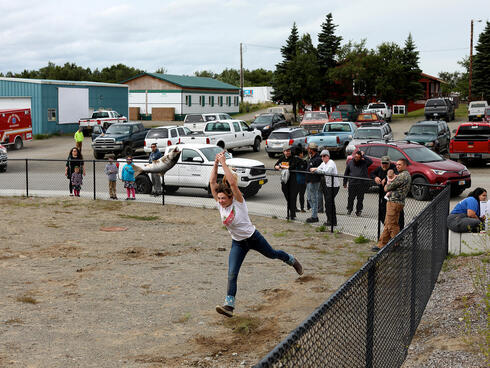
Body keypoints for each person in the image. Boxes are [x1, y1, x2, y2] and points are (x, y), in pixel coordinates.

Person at [210, 151, 303, 318]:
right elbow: (212, 181)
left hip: (254, 238)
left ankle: (291, 259)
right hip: (238, 243)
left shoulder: (238, 202)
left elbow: (232, 183)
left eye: (223, 198)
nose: (221, 201)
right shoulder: (220, 205)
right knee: (232, 273)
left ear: (231, 197)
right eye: (219, 198)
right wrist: (215, 163)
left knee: (272, 254)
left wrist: (223, 162)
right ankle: (229, 306)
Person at [374, 158, 412, 251]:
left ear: (405, 165)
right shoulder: (404, 175)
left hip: (395, 203)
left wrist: (387, 185)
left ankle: (396, 244)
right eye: (397, 164)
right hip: (394, 202)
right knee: (388, 223)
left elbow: (387, 188)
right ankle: (381, 244)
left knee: (392, 225)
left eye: (399, 164)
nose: (397, 166)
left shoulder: (402, 176)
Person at [370, 156, 404, 229]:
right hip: (383, 195)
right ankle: (386, 226)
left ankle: (400, 230)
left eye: (386, 163)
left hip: (394, 196)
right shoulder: (379, 168)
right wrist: (375, 177)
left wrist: (386, 178)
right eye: (383, 163)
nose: (384, 165)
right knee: (382, 212)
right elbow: (372, 173)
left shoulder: (393, 167)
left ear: (389, 163)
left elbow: (396, 174)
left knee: (398, 213)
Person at [311, 150, 340, 226]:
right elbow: (318, 169)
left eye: (324, 156)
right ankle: (331, 221)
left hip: (334, 186)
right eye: (321, 156)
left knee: (329, 203)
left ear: (328, 156)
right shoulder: (323, 163)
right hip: (328, 185)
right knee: (329, 203)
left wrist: (316, 170)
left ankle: (331, 221)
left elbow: (326, 172)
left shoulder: (331, 163)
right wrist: (317, 169)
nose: (322, 158)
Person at [274, 145, 301, 220]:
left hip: (292, 181)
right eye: (287, 151)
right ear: (284, 152)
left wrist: (282, 166)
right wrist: (278, 166)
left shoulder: (293, 158)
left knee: (292, 198)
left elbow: (291, 166)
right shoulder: (282, 158)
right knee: (288, 198)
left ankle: (292, 214)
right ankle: (291, 213)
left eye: (289, 151)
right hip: (284, 182)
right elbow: (276, 165)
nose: (288, 152)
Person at [343, 150, 373, 216]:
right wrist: (344, 182)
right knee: (351, 198)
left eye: (358, 157)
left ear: (360, 157)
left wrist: (364, 156)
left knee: (360, 198)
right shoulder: (350, 162)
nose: (356, 158)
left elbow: (371, 161)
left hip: (361, 184)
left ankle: (358, 211)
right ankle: (349, 209)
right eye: (355, 157)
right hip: (352, 183)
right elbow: (346, 173)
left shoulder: (364, 162)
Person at [305, 143, 322, 223]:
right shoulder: (310, 157)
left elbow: (318, 170)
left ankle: (314, 216)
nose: (308, 150)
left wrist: (312, 170)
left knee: (314, 198)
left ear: (311, 150)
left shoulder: (318, 159)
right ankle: (314, 213)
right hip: (309, 180)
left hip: (314, 181)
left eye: (309, 149)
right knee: (309, 198)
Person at [294, 148, 307, 213]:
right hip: (301, 180)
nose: (303, 154)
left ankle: (294, 207)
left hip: (295, 180)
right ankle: (302, 208)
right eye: (302, 153)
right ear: (300, 154)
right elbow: (303, 170)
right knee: (301, 195)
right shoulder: (301, 161)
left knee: (295, 194)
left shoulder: (293, 160)